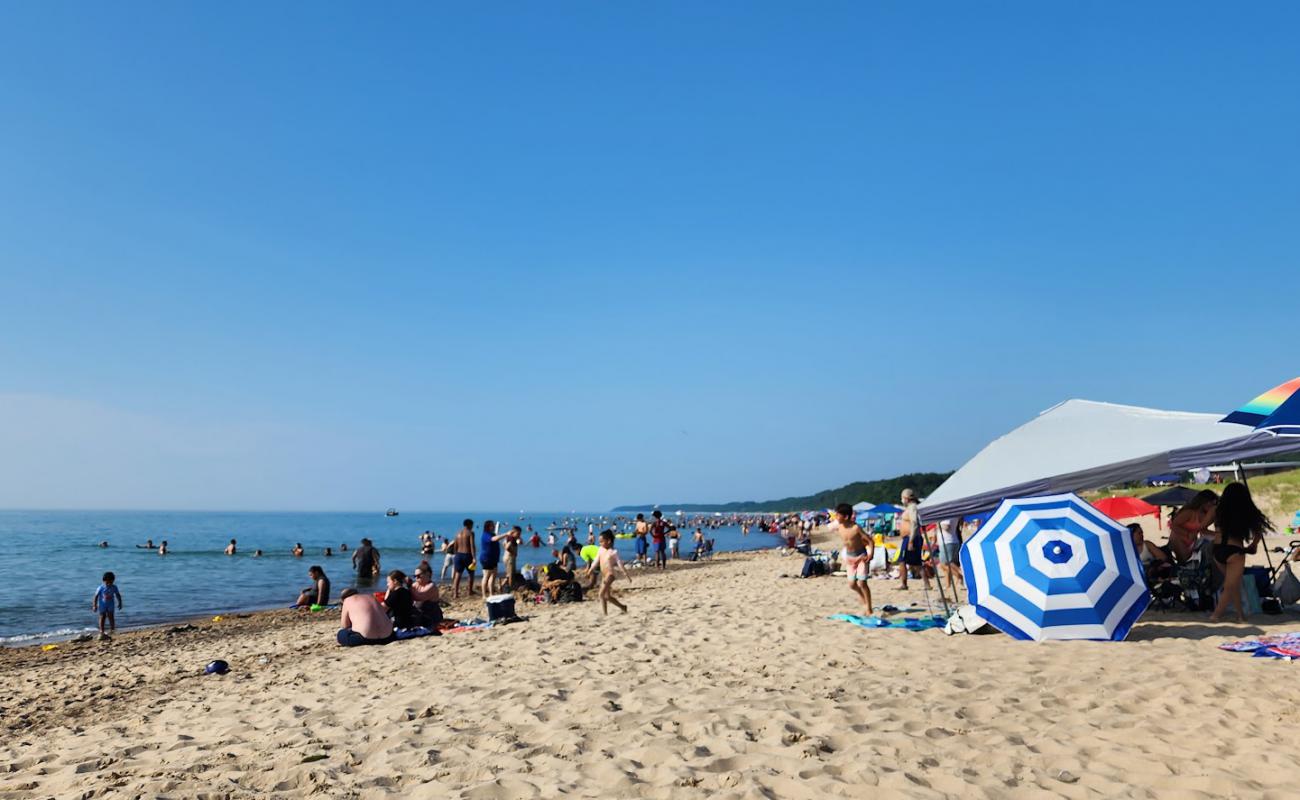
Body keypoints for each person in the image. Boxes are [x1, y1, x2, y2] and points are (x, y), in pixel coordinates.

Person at [1210, 482, 1272, 623]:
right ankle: (1216, 615)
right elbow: (1259, 532)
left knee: (1233, 583)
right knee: (1230, 584)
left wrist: (1216, 534)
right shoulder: (1245, 509)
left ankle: (1240, 615)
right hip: (1235, 551)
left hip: (1217, 550)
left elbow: (1201, 528)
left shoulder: (1217, 509)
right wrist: (1253, 545)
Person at [834, 503, 875, 613]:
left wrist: (871, 555)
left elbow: (870, 541)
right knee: (852, 584)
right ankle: (862, 596)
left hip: (861, 556)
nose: (836, 517)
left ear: (846, 517)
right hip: (850, 558)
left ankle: (869, 608)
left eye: (838, 515)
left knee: (862, 583)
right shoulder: (838, 526)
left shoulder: (856, 528)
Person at [1166, 490, 1219, 563]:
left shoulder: (1205, 516)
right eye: (1212, 503)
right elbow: (1173, 525)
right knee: (1184, 562)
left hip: (1191, 541)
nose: (1212, 506)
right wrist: (1187, 534)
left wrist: (1218, 535)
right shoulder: (1189, 512)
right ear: (1204, 502)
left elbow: (1203, 530)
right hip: (1179, 539)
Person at [586, 529, 631, 615]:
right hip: (604, 574)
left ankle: (605, 614)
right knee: (606, 596)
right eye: (599, 542)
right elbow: (596, 561)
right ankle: (621, 607)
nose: (600, 543)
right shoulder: (601, 550)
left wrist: (626, 574)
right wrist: (590, 570)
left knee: (601, 594)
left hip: (610, 575)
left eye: (602, 541)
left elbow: (619, 564)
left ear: (609, 541)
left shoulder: (613, 552)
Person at [897, 489, 931, 591]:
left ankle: (905, 583)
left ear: (907, 498)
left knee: (907, 561)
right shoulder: (910, 507)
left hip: (912, 537)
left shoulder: (912, 507)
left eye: (902, 497)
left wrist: (911, 540)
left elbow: (914, 523)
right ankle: (922, 583)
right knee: (910, 562)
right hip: (909, 538)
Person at [92, 571, 123, 640]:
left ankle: (112, 629)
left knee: (111, 616)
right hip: (102, 604)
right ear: (104, 580)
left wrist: (120, 603)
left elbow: (117, 595)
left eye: (111, 582)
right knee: (102, 617)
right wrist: (94, 605)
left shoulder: (114, 587)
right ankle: (101, 630)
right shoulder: (101, 587)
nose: (109, 584)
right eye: (107, 582)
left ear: (113, 581)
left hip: (110, 604)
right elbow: (96, 596)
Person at [935, 519, 963, 595]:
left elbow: (947, 526)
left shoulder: (946, 515)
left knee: (945, 564)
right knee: (949, 565)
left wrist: (938, 524)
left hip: (947, 541)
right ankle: (948, 585)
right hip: (952, 540)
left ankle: (960, 576)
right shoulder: (954, 513)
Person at [451, 520, 477, 600]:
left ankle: (455, 593)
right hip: (467, 555)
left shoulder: (458, 533)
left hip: (458, 554)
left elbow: (455, 545)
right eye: (472, 525)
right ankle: (470, 591)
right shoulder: (470, 533)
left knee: (458, 574)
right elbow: (472, 546)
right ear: (470, 525)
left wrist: (456, 555)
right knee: (471, 574)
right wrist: (474, 557)